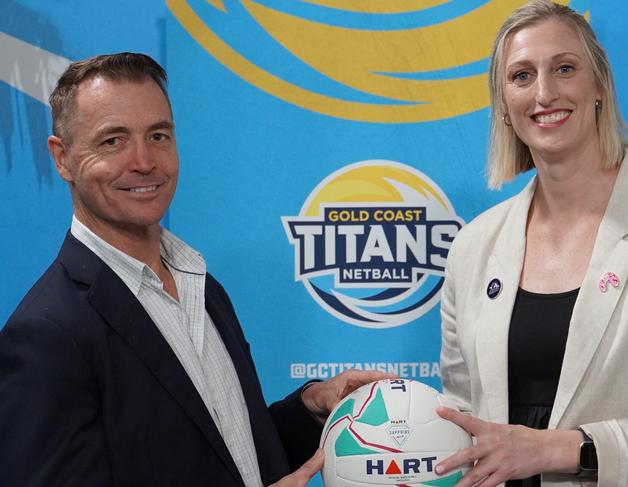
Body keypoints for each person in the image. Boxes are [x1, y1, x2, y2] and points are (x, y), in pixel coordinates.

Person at [0, 53, 393, 487]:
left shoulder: (200, 283)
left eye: (158, 135)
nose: (144, 161)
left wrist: (309, 410)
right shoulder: (47, 334)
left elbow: (222, 456)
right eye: (113, 141)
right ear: (62, 158)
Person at [433, 1, 628, 486]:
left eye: (565, 69)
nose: (544, 93)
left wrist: (569, 449)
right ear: (504, 106)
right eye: (521, 76)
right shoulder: (473, 247)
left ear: (599, 87)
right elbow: (460, 416)